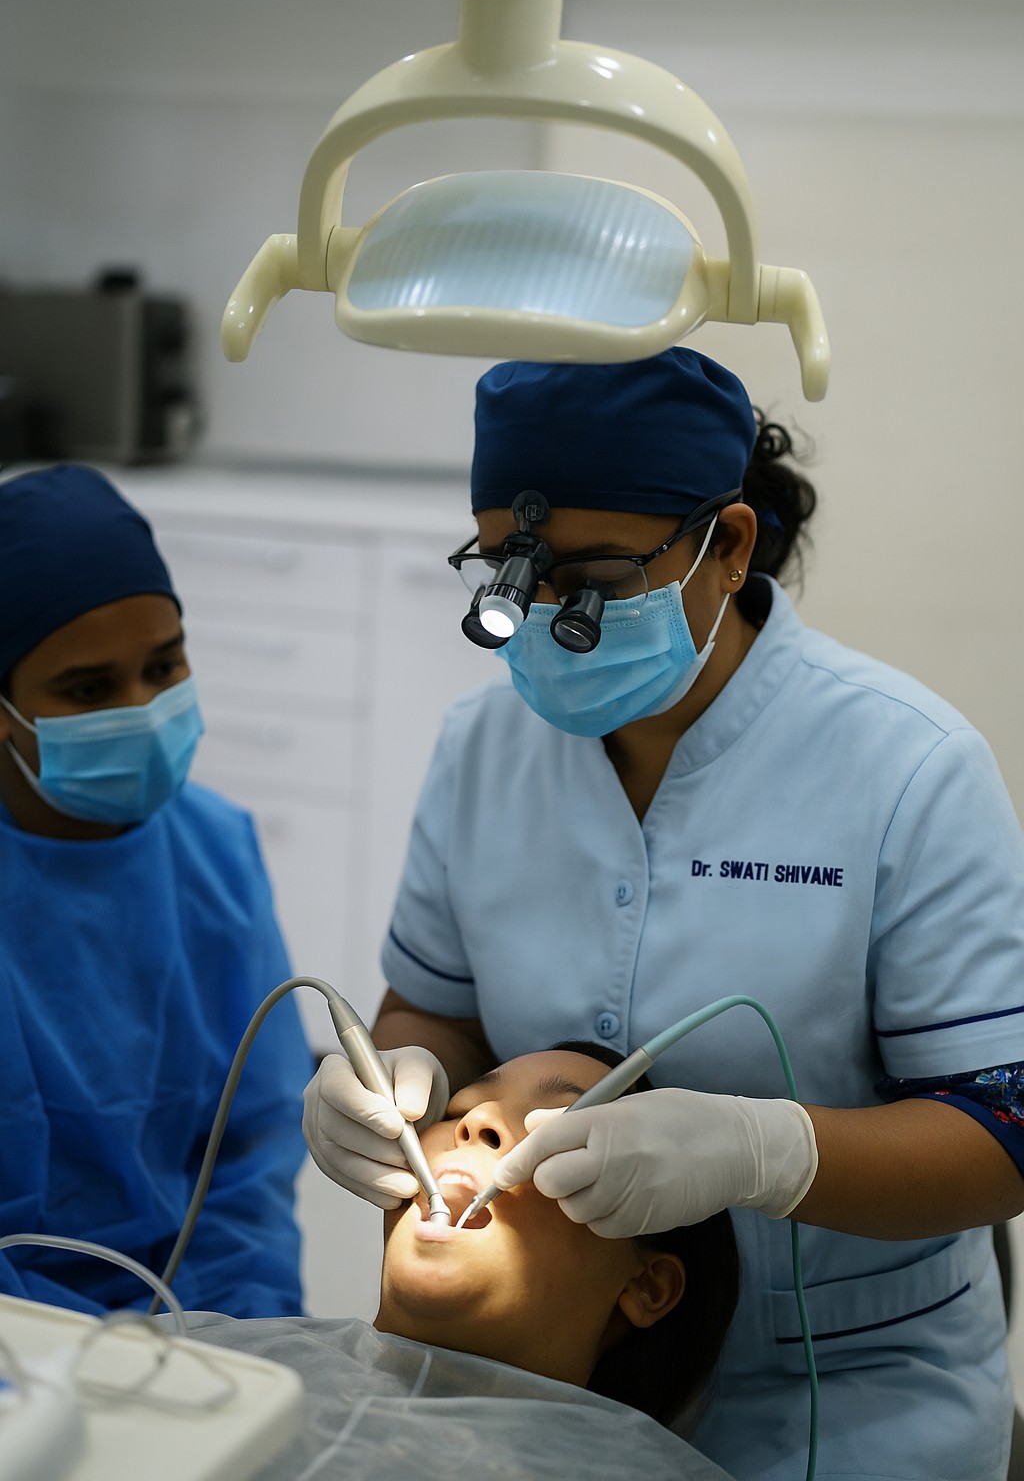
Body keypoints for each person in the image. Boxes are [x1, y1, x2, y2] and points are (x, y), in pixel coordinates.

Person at [303, 348, 1024, 1481]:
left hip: (849, 1400)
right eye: (511, 573)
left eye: (595, 574)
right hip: (545, 1399)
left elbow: (1003, 1133)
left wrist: (760, 1152)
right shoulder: (482, 747)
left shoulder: (907, 767)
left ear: (727, 545)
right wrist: (399, 1077)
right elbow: (435, 1009)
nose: (546, 611)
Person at [0, 464, 312, 1318]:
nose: (141, 709)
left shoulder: (214, 850)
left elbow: (250, 1151)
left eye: (164, 666)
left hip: (190, 1311)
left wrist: (236, 1331)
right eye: (89, 689)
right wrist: (75, 1355)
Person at [190, 1043, 740, 1481]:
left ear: (647, 1286)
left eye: (560, 1130)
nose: (477, 1120)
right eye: (458, 1108)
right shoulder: (194, 1366)